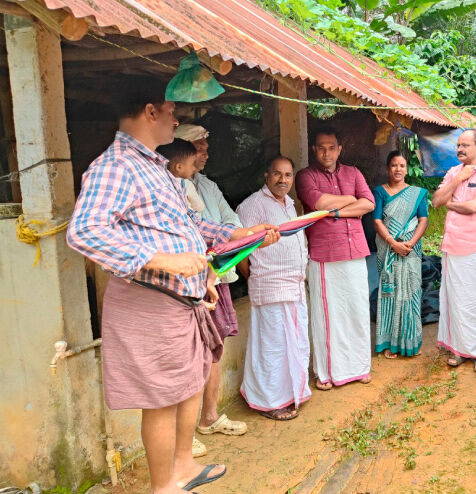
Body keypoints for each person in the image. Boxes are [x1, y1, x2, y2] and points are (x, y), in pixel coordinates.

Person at [66, 78, 278, 494]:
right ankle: (164, 486)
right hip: (152, 301)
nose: (176, 120)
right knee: (162, 399)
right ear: (150, 111)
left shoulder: (154, 166)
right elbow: (85, 231)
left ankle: (183, 467)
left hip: (182, 299)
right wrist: (163, 260)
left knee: (186, 386)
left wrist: (238, 235)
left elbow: (188, 223)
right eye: (171, 112)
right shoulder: (116, 166)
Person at [174, 124, 248, 449]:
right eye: (198, 147)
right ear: (181, 153)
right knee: (188, 356)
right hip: (187, 281)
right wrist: (214, 242)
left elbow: (232, 223)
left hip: (216, 277)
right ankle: (183, 435)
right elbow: (196, 231)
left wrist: (215, 249)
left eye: (206, 146)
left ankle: (209, 417)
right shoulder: (172, 186)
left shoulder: (207, 185)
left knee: (215, 349)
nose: (205, 152)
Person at [295, 127, 375, 390]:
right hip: (325, 254)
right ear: (314, 150)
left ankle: (359, 368)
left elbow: (369, 203)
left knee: (357, 310)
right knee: (328, 315)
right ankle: (327, 373)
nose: (326, 153)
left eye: (331, 148)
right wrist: (351, 199)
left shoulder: (353, 172)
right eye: (321, 148)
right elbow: (319, 203)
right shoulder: (306, 176)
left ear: (340, 149)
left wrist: (337, 212)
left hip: (355, 251)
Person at [236, 156, 310, 420]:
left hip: (293, 286)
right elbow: (241, 250)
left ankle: (291, 393)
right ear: (266, 176)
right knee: (272, 347)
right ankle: (268, 402)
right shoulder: (252, 205)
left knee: (294, 343)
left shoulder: (290, 203)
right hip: (270, 286)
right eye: (277, 174)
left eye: (288, 175)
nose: (283, 180)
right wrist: (255, 277)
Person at [431, 129, 476, 372]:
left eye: (465, 145)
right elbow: (436, 201)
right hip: (451, 245)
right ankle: (458, 349)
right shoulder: (453, 172)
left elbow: (474, 206)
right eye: (458, 145)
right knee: (454, 300)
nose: (460, 149)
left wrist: (451, 203)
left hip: (474, 246)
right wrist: (459, 179)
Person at [373, 151, 429, 358]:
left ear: (407, 169)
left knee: (411, 291)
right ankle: (390, 343)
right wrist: (393, 243)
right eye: (394, 165)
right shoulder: (380, 192)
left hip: (410, 250)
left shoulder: (417, 194)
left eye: (402, 165)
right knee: (390, 294)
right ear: (388, 168)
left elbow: (423, 220)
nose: (398, 169)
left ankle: (411, 340)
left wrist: (410, 243)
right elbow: (377, 220)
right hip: (388, 248)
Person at [158, 138, 205, 214]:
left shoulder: (159, 180)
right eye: (192, 164)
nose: (194, 168)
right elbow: (199, 207)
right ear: (179, 167)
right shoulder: (187, 184)